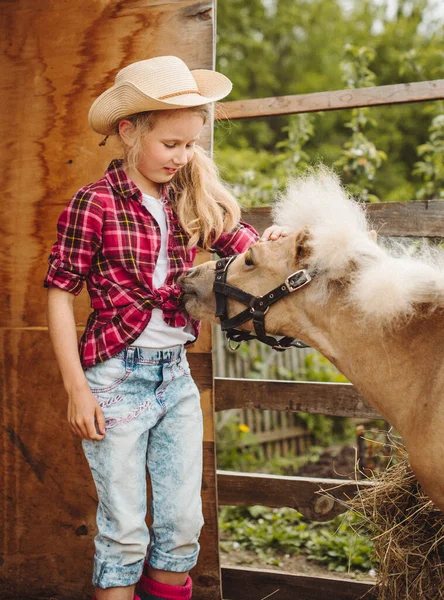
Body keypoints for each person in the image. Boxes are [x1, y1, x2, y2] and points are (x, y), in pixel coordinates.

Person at [44, 55, 288, 600]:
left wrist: (271, 247)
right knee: (126, 531)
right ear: (129, 132)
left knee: (181, 528)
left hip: (173, 378)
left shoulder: (190, 199)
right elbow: (59, 295)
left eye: (190, 145)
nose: (182, 157)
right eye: (171, 144)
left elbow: (245, 248)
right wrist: (76, 388)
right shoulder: (95, 203)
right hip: (113, 381)